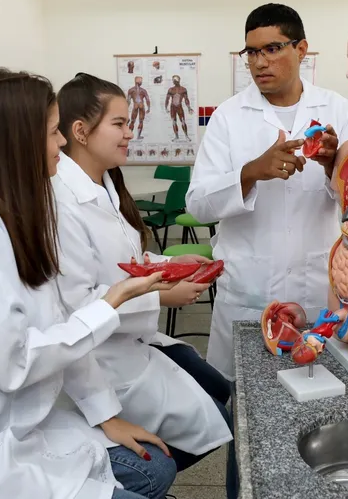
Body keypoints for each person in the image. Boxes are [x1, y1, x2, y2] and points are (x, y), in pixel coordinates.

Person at [0, 68, 180, 499]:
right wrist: (110, 303)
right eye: (52, 132)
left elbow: (54, 322)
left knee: (155, 467)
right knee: (149, 474)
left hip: (21, 425)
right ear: (17, 142)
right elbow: (12, 365)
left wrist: (106, 416)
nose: (62, 142)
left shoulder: (16, 215)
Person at [52, 72, 238, 499]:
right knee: (201, 433)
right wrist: (161, 295)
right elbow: (77, 305)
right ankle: (135, 481)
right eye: (119, 124)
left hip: (132, 343)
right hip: (102, 358)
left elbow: (126, 262)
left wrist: (171, 265)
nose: (129, 132)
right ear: (80, 131)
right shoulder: (63, 203)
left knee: (219, 397)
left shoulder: (105, 186)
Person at [185, 3, 348, 381]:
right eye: (252, 52)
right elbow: (198, 204)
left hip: (316, 293)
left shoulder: (337, 110)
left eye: (272, 49)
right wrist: (251, 172)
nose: (259, 62)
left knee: (316, 393)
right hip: (248, 295)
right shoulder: (228, 117)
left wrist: (332, 167)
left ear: (301, 50)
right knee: (241, 398)